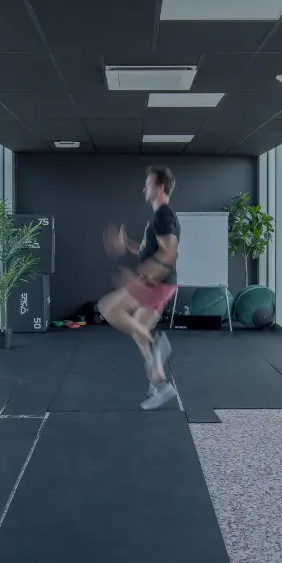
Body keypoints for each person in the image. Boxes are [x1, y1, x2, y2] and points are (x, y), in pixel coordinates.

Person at [99, 166, 180, 410]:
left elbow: (169, 254)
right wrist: (127, 247)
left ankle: (156, 347)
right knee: (138, 330)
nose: (144, 187)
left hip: (157, 281)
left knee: (108, 308)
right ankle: (160, 383)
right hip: (164, 283)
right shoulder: (158, 217)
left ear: (160, 187)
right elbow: (151, 250)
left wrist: (142, 277)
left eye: (148, 183)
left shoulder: (163, 215)